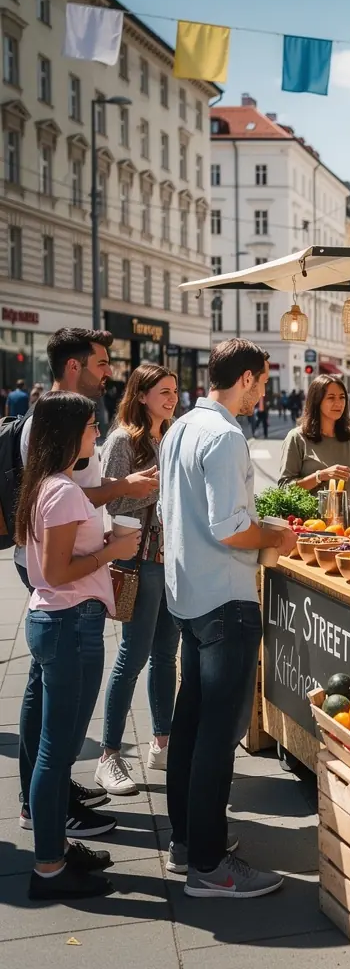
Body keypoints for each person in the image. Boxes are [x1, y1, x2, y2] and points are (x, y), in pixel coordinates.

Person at [160, 338, 297, 897]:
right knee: (219, 732)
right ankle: (210, 867)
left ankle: (189, 842)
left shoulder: (181, 428)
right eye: (262, 382)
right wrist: (277, 534)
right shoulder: (223, 435)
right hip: (225, 597)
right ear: (243, 378)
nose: (264, 391)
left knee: (191, 721)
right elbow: (230, 528)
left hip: (189, 593)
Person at [15, 329, 159, 837]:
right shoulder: (55, 440)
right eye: (101, 364)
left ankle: (49, 798)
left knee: (56, 713)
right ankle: (46, 818)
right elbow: (58, 552)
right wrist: (112, 538)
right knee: (57, 724)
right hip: (66, 598)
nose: (108, 372)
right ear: (74, 367)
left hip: (64, 591)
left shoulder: (62, 445)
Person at [15, 392, 142, 900]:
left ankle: (56, 851)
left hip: (54, 618)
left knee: (53, 746)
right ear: (68, 433)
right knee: (55, 751)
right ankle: (48, 867)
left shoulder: (45, 485)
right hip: (69, 621)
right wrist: (111, 550)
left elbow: (52, 564)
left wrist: (100, 552)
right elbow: (61, 569)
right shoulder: (64, 491)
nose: (97, 432)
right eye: (91, 425)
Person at [94, 365, 181, 797]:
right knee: (133, 656)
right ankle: (109, 755)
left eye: (175, 391)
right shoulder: (122, 440)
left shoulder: (173, 436)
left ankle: (161, 743)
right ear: (141, 395)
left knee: (167, 656)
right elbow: (111, 500)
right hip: (141, 557)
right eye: (163, 391)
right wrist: (158, 488)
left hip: (173, 559)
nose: (172, 398)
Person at [279, 374, 350, 500]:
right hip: (308, 519)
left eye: (342, 397)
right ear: (317, 401)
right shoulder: (297, 438)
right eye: (331, 398)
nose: (338, 403)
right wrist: (320, 476)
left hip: (345, 519)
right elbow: (285, 488)